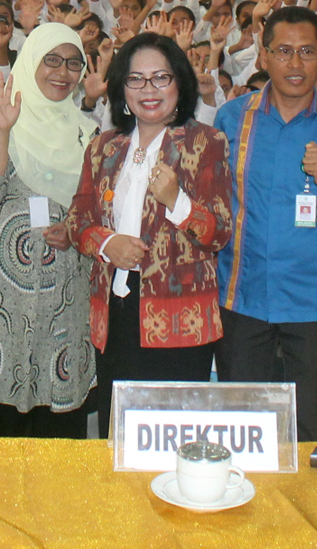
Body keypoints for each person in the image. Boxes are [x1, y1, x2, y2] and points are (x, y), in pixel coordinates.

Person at [214, 6, 317, 441]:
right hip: (243, 295)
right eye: (283, 51)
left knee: (312, 431)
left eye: (307, 51)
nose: (295, 63)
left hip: (315, 302)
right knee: (241, 430)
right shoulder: (232, 118)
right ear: (263, 56)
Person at [65, 33, 232, 428]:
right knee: (120, 433)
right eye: (136, 79)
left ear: (179, 84)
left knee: (173, 436)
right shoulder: (103, 147)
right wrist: (107, 244)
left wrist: (177, 201)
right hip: (115, 312)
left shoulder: (206, 142)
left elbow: (219, 233)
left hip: (180, 317)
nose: (149, 89)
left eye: (161, 78)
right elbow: (77, 220)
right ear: (122, 90)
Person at [0, 22, 97, 437]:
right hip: (1, 297)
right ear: (31, 60)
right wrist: (3, 131)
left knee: (55, 423)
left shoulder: (89, 133)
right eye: (51, 60)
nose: (62, 72)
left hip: (64, 297)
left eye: (73, 63)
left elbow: (98, 209)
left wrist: (75, 229)